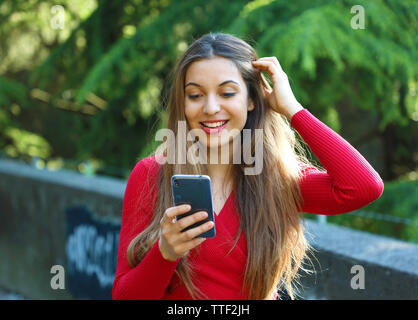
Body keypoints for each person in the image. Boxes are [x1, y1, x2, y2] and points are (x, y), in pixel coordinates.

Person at [112, 32, 384, 300]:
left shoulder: (277, 180)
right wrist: (165, 254)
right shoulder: (152, 175)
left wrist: (293, 109)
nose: (210, 107)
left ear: (252, 100)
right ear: (182, 103)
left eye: (227, 93)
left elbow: (363, 187)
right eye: (195, 95)